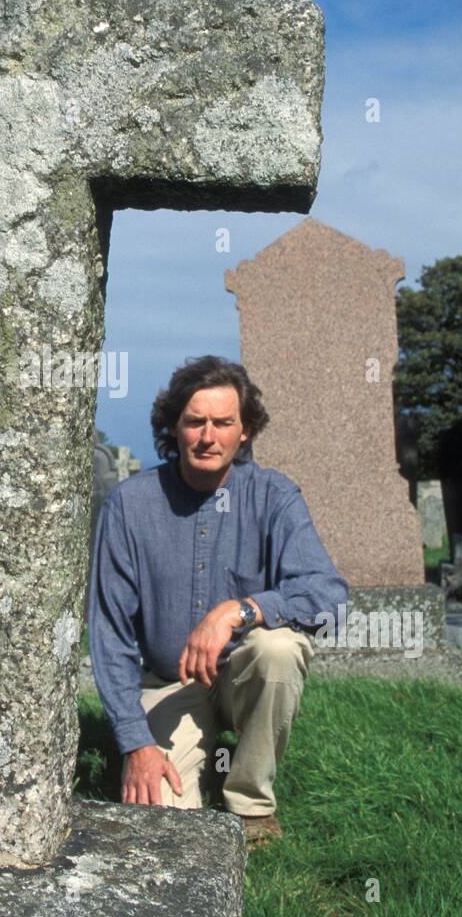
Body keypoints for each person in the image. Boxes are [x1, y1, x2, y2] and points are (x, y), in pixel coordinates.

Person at [87, 355, 349, 846]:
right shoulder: (130, 505)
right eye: (195, 422)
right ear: (174, 426)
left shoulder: (275, 496)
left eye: (224, 422)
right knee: (160, 827)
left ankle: (251, 803)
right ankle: (196, 758)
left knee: (278, 649)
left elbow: (330, 597)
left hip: (244, 677)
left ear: (244, 430)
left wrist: (239, 610)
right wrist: (136, 743)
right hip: (171, 682)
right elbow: (109, 633)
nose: (208, 436)